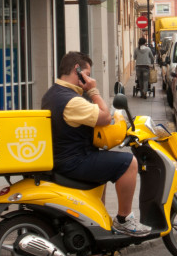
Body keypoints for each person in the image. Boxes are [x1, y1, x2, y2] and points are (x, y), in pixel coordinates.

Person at [41, 51, 151, 236]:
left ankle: (94, 221)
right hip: (74, 161)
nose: (89, 78)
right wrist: (93, 91)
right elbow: (105, 117)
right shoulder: (72, 101)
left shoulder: (52, 93)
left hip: (64, 157)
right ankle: (124, 220)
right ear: (78, 72)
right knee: (128, 163)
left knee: (105, 163)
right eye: (88, 74)